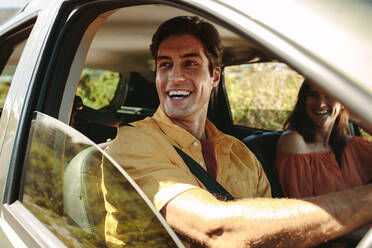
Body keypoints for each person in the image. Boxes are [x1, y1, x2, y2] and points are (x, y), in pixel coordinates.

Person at [104, 16, 372, 248]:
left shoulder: (241, 153)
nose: (174, 77)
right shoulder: (133, 142)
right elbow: (215, 229)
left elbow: (273, 236)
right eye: (165, 65)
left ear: (215, 77)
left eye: (190, 64)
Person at [276, 80, 372, 198]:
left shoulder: (351, 146)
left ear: (342, 102)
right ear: (303, 101)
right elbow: (302, 208)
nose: (320, 104)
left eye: (329, 94)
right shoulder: (294, 141)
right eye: (313, 95)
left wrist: (357, 117)